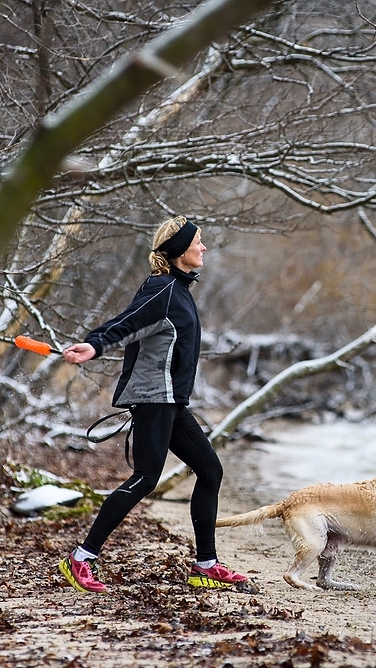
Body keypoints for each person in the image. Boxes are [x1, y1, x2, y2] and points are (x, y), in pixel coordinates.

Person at [57, 215, 250, 593]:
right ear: (180, 250)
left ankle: (205, 565)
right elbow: (126, 323)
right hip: (153, 397)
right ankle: (80, 559)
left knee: (210, 471)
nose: (204, 247)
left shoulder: (179, 290)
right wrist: (95, 344)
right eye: (199, 241)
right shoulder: (162, 289)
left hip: (172, 400)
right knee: (146, 478)